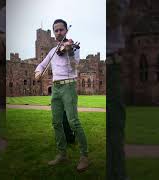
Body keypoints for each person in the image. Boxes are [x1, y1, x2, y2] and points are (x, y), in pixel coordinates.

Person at [34, 19, 89, 172]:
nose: (59, 32)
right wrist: (38, 72)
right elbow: (42, 64)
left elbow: (74, 66)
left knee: (74, 122)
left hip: (69, 86)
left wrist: (69, 50)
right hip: (56, 89)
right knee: (56, 122)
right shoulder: (52, 51)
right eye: (56, 30)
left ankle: (84, 156)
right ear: (54, 33)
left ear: (66, 31)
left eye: (61, 30)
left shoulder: (73, 47)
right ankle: (62, 154)